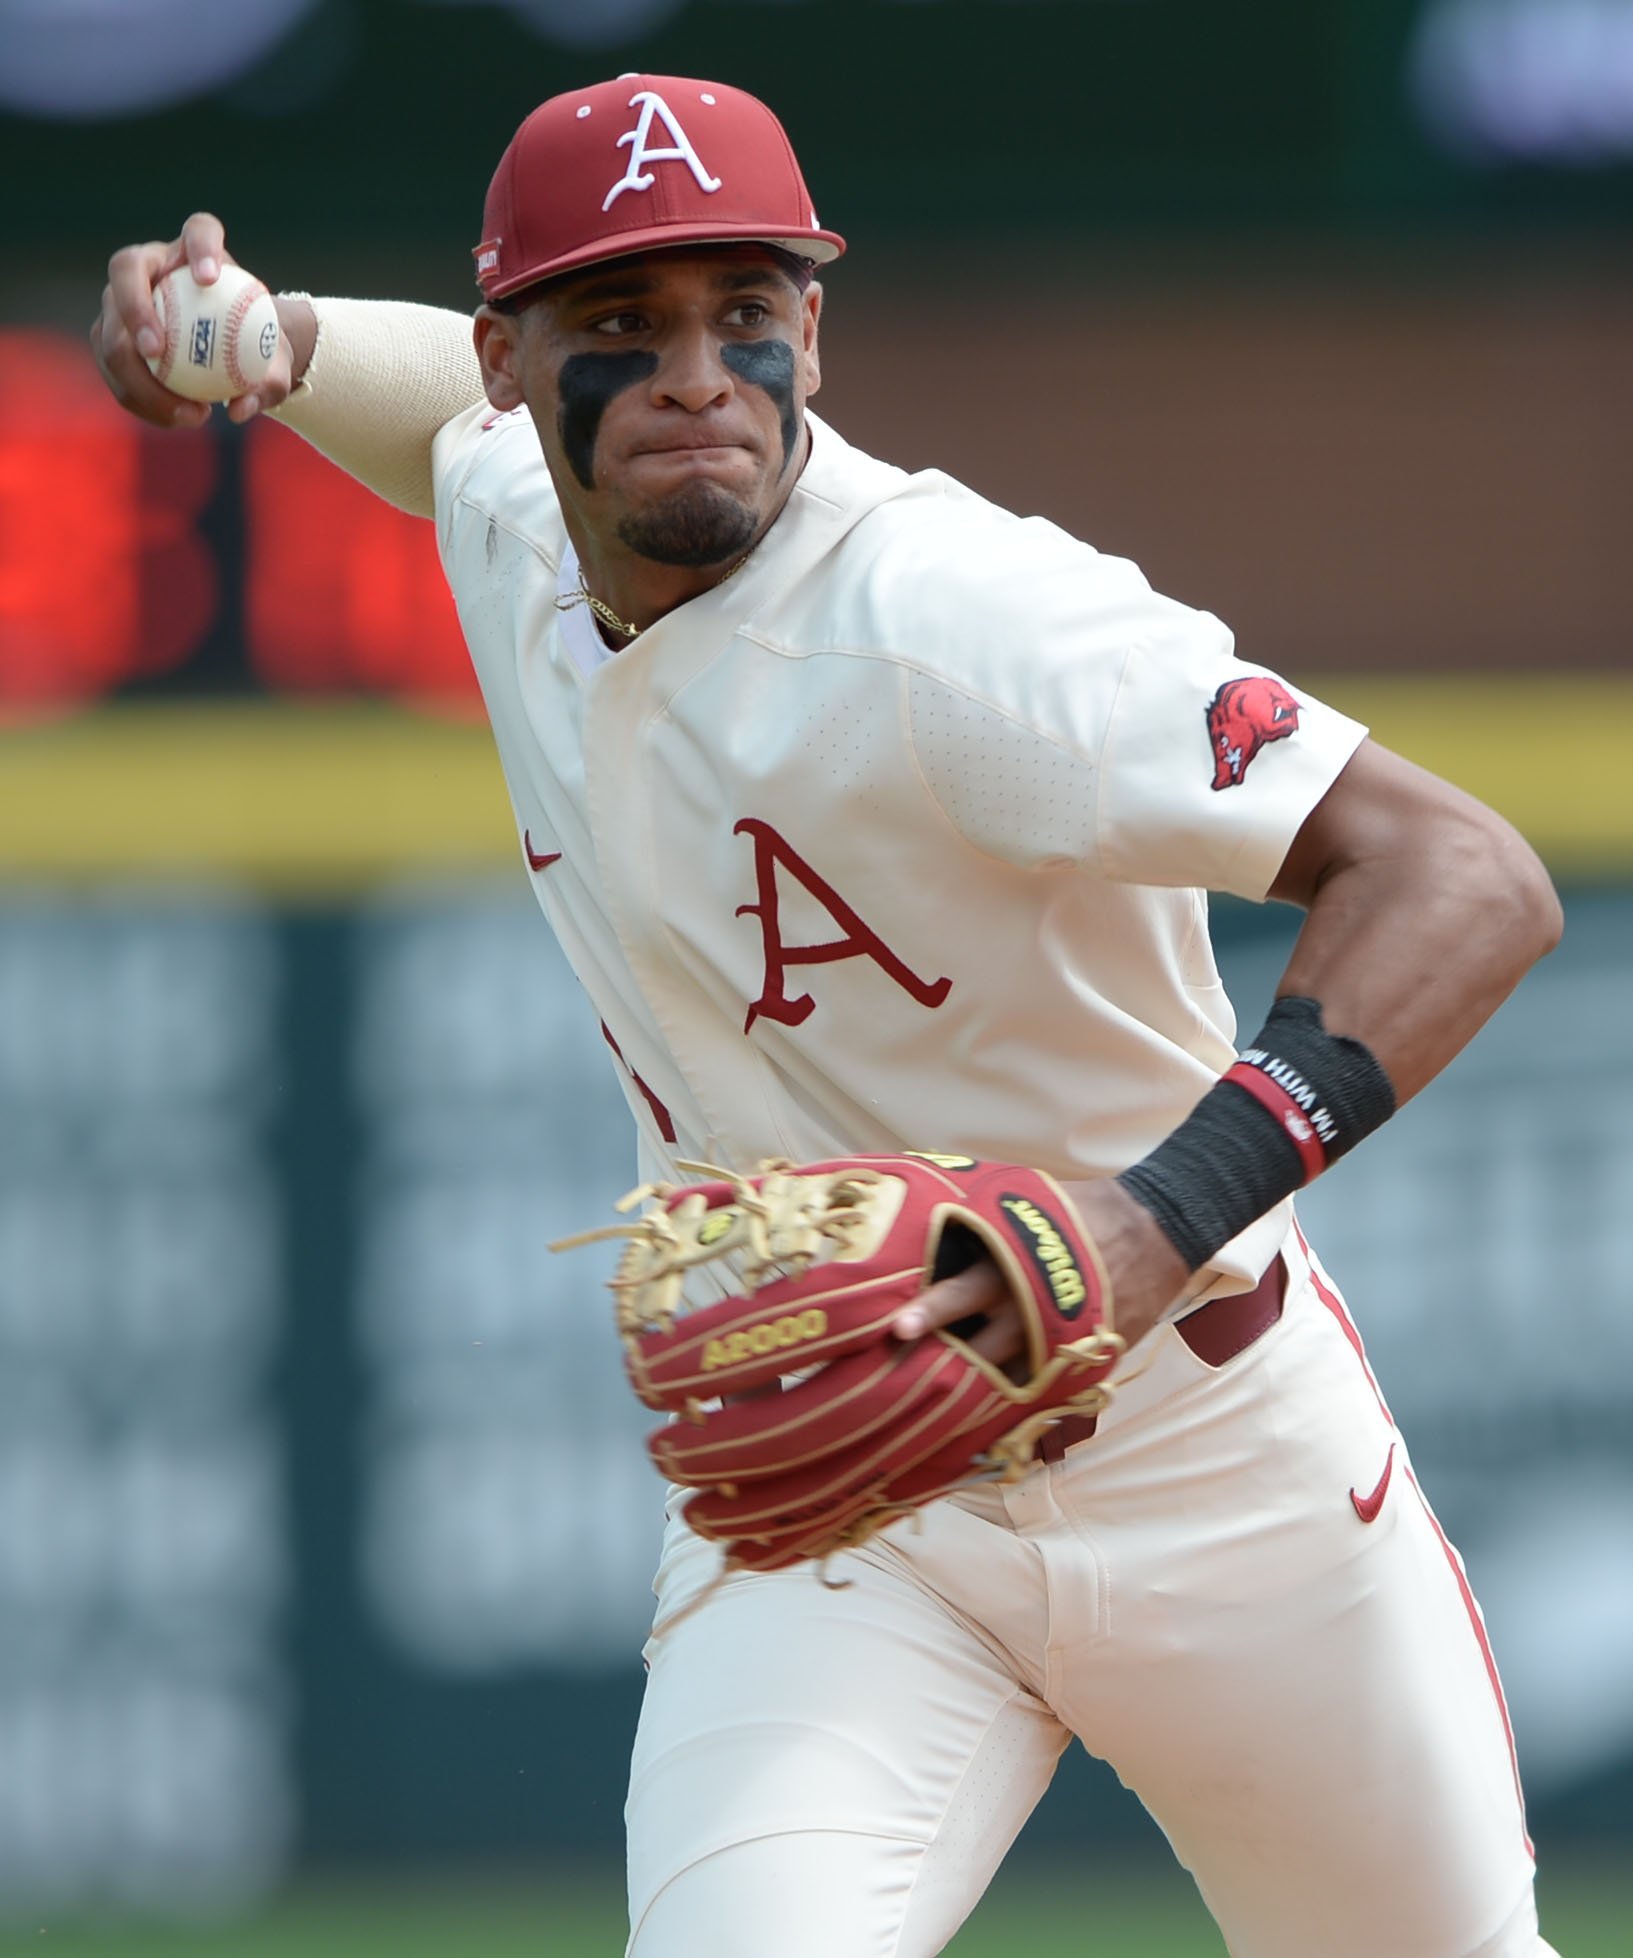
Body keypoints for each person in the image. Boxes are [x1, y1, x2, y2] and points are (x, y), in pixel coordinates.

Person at [93, 72, 1565, 1958]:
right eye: (621, 327)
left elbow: (1466, 876)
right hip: (850, 1493)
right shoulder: (515, 510)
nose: (696, 373)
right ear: (509, 362)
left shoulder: (971, 628)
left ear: (814, 331)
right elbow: (409, 413)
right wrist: (240, 340)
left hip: (1210, 1455)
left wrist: (1151, 1215)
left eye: (747, 316)